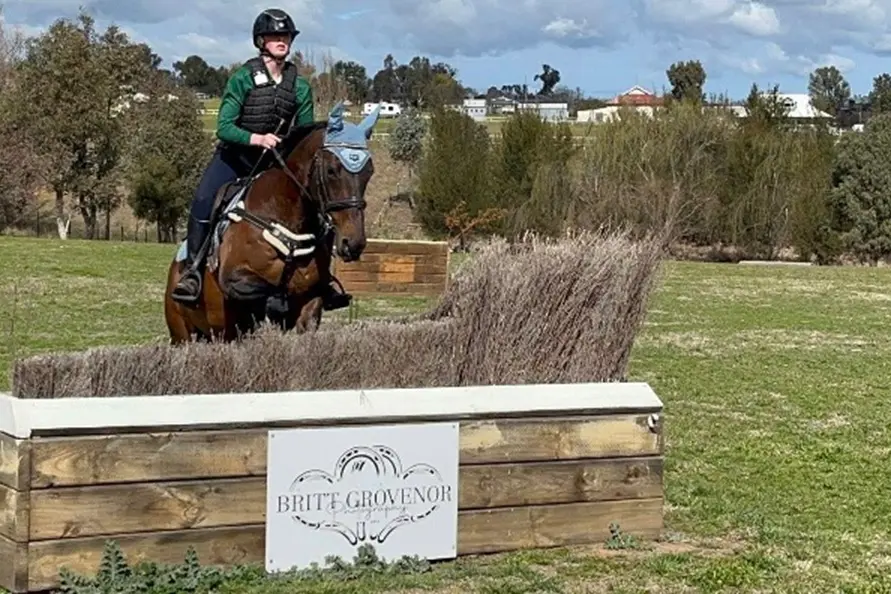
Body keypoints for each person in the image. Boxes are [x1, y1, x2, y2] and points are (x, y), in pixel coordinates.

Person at [171, 8, 314, 305]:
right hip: (235, 159)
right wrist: (257, 138)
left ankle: (321, 280)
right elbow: (224, 127)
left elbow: (305, 133)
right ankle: (193, 273)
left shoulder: (300, 87)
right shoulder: (242, 78)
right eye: (275, 35)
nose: (282, 40)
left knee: (314, 205)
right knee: (201, 200)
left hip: (274, 165)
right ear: (261, 40)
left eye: (285, 35)